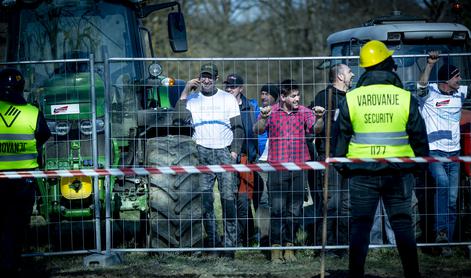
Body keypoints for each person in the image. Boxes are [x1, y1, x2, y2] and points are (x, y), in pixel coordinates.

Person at [334, 40, 428, 278]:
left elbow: (339, 146)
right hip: (398, 173)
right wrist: (414, 170)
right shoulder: (405, 98)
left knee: (360, 227)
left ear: (366, 68)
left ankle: (356, 274)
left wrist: (349, 171)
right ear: (388, 64)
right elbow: (419, 140)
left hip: (361, 173)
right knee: (402, 225)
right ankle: (412, 275)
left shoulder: (352, 98)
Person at [173, 63, 244, 258]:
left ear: (216, 78)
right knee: (206, 202)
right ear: (199, 78)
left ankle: (229, 246)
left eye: (210, 77)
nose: (206, 80)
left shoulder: (227, 98)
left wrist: (234, 152)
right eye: (203, 76)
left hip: (224, 152)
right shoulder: (193, 99)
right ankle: (212, 243)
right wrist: (186, 90)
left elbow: (238, 127)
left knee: (228, 200)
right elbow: (176, 118)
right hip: (201, 153)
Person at [253, 79, 325, 263]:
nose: (297, 98)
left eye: (298, 95)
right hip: (277, 168)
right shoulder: (272, 112)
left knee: (294, 210)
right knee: (277, 210)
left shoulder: (304, 112)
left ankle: (289, 247)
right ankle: (275, 249)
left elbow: (316, 130)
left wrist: (319, 118)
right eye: (293, 96)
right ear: (283, 97)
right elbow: (258, 130)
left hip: (299, 168)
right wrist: (263, 117)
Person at [417, 51, 470, 256]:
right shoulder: (429, 93)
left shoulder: (460, 93)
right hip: (435, 152)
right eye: (457, 76)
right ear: (447, 79)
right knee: (443, 185)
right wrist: (430, 64)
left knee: (452, 198)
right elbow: (421, 85)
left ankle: (448, 240)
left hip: (454, 153)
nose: (460, 79)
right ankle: (440, 232)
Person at [0, 68, 51, 276]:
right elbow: (43, 135)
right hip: (24, 180)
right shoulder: (32, 112)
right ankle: (12, 265)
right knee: (18, 225)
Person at [307, 63, 354, 256]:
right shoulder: (323, 96)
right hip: (329, 157)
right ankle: (325, 247)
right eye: (349, 72)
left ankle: (343, 247)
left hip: (351, 157)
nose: (353, 74)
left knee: (347, 204)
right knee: (329, 204)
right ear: (340, 77)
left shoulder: (353, 97)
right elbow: (313, 127)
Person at [224, 73, 260, 246]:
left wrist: (253, 157)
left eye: (233, 86)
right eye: (227, 86)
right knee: (230, 198)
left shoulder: (251, 107)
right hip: (227, 157)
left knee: (244, 199)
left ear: (241, 88)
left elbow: (255, 134)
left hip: (246, 158)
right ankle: (238, 236)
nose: (229, 89)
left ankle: (247, 235)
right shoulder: (221, 105)